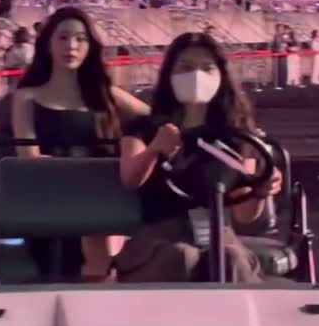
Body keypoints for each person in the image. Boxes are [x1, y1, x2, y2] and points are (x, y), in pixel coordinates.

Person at [117, 32, 282, 283]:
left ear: (221, 76)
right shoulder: (144, 128)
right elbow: (130, 178)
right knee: (181, 258)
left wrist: (260, 189)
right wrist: (155, 150)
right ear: (169, 73)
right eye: (186, 67)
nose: (196, 75)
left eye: (207, 68)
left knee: (230, 260)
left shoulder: (238, 136)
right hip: (158, 234)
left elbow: (244, 215)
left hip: (218, 231)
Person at [12, 6, 150, 280]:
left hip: (100, 202)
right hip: (49, 200)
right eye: (63, 37)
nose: (71, 46)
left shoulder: (105, 95)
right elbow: (29, 160)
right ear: (48, 42)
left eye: (80, 39)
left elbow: (154, 118)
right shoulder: (26, 97)